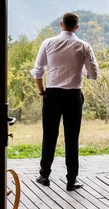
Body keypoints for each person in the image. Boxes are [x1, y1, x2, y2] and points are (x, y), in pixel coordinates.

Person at [29, 11, 100, 191]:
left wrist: (42, 92)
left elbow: (38, 72)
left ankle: (44, 175)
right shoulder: (84, 46)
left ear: (61, 24)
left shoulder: (48, 43)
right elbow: (94, 75)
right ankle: (71, 180)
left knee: (49, 136)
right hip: (73, 97)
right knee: (72, 138)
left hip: (52, 95)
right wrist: (83, 71)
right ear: (77, 27)